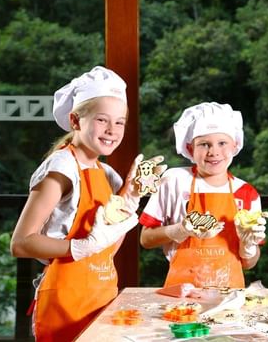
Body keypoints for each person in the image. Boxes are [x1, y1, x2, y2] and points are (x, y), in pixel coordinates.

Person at [10, 66, 165, 341]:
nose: (112, 130)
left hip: (102, 296)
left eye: (120, 122)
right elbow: (21, 243)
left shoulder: (107, 175)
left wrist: (130, 198)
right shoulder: (61, 168)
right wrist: (82, 247)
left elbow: (108, 245)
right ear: (75, 120)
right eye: (102, 120)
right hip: (65, 304)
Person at [139, 102, 267, 288]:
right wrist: (180, 230)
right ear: (190, 149)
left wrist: (247, 247)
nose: (213, 151)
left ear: (235, 145)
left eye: (222, 143)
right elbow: (146, 239)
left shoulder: (247, 193)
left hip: (229, 297)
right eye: (204, 144)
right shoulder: (174, 181)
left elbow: (248, 264)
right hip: (181, 294)